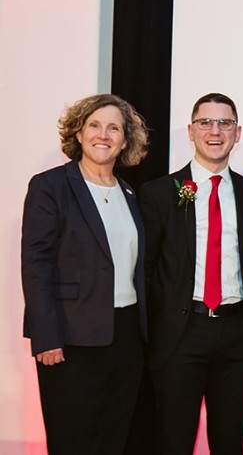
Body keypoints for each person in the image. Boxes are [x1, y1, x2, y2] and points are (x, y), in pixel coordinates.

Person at [22, 94, 150, 454]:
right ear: (78, 132)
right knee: (72, 440)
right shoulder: (50, 186)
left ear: (125, 141)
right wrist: (46, 337)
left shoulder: (128, 192)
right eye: (94, 125)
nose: (103, 135)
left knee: (113, 438)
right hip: (70, 338)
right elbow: (36, 265)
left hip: (125, 337)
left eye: (114, 128)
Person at [137, 93, 243, 454]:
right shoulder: (159, 193)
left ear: (237, 133)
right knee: (173, 441)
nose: (215, 131)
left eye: (225, 123)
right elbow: (146, 270)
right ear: (191, 131)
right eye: (206, 122)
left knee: (229, 442)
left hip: (238, 334)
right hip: (180, 335)